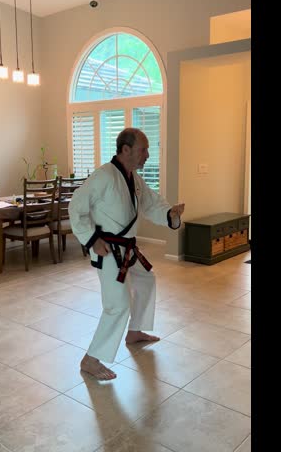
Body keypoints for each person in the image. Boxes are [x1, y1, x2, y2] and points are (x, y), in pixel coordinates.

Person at [69, 128, 185, 380]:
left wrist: (170, 214)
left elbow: (152, 204)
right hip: (108, 249)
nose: (147, 155)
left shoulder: (135, 179)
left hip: (127, 247)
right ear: (126, 150)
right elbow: (76, 207)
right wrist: (92, 239)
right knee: (118, 304)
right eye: (143, 149)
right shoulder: (103, 176)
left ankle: (134, 331)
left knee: (146, 279)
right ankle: (91, 359)